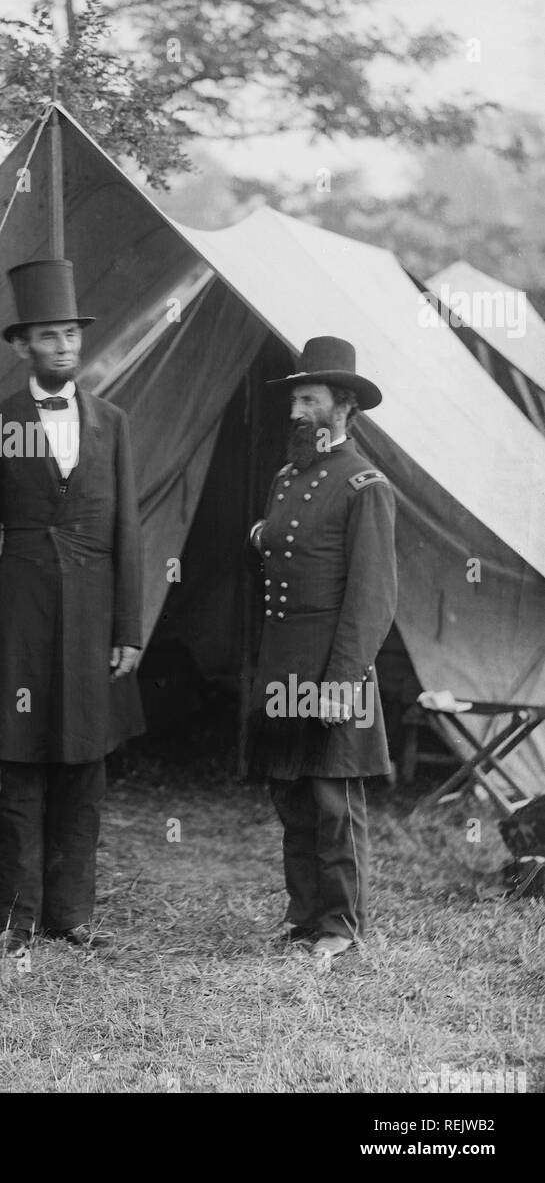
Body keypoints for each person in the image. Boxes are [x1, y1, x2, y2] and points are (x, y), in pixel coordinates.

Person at [0, 259, 145, 956]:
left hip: (95, 620)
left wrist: (128, 628)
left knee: (84, 768)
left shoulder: (113, 423)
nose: (65, 346)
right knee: (23, 767)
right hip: (21, 617)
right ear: (21, 346)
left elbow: (129, 529)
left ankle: (73, 913)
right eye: (49, 336)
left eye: (71, 334)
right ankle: (17, 917)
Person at [245, 336, 397, 963]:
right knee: (291, 792)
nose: (296, 411)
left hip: (335, 661)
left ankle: (341, 924)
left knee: (334, 799)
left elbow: (372, 597)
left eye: (309, 399)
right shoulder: (287, 477)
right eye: (294, 399)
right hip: (284, 659)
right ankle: (304, 914)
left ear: (344, 408)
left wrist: (342, 680)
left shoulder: (366, 485)